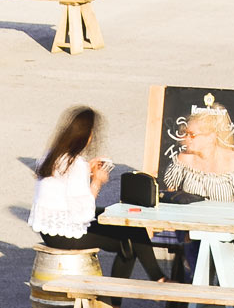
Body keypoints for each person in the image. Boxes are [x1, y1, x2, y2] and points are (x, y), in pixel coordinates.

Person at [31, 106, 166, 279]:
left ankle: (155, 279)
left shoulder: (51, 157)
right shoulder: (76, 165)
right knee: (130, 240)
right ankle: (157, 278)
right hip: (66, 234)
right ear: (87, 137)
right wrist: (97, 182)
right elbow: (84, 213)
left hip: (49, 230)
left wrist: (87, 170)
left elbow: (63, 189)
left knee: (123, 222)